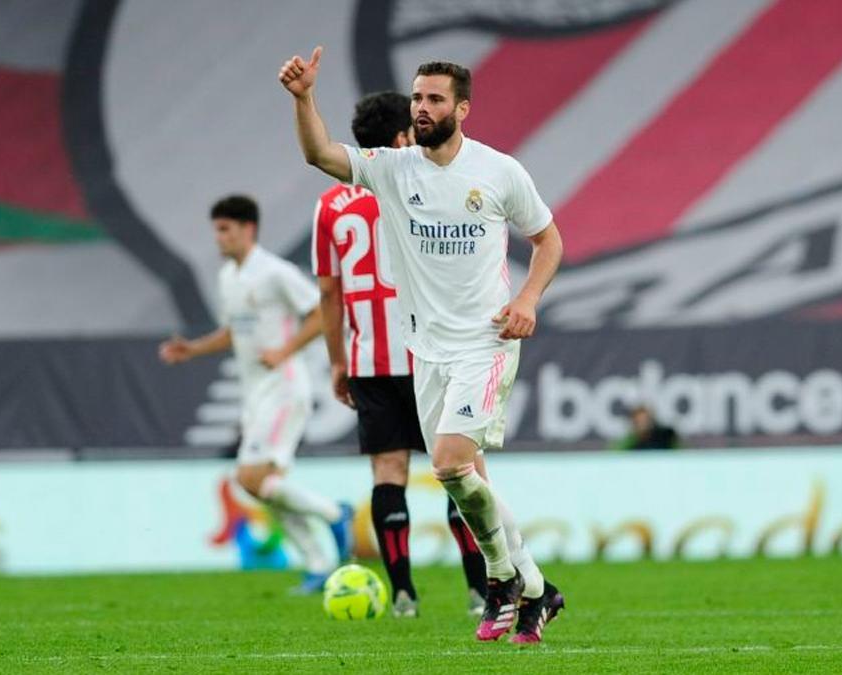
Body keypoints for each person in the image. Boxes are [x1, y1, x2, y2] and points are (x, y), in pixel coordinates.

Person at [279, 48, 565, 643]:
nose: (424, 107)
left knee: (449, 464)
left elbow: (548, 240)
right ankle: (539, 590)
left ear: (462, 108)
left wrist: (528, 300)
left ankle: (501, 582)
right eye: (417, 98)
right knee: (468, 476)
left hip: (486, 343)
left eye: (435, 99)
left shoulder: (498, 171)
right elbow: (318, 153)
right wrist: (305, 99)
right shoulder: (393, 168)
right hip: (425, 351)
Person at [311, 91, 487, 618]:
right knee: (462, 471)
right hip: (430, 353)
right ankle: (483, 591)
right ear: (399, 139)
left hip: (369, 358)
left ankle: (404, 595)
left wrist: (337, 360)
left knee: (388, 474)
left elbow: (328, 292)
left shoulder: (329, 207)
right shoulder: (417, 186)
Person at [159, 195, 353, 594]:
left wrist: (285, 350)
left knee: (249, 477)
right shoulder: (229, 277)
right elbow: (235, 331)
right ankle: (318, 565)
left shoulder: (275, 273)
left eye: (225, 229)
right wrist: (193, 349)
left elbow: (321, 311)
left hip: (284, 388)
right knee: (267, 489)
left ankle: (336, 514)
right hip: (255, 395)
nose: (219, 238)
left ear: (249, 229)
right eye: (216, 230)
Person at [613, 405, 679, 451]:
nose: (643, 425)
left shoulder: (665, 437)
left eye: (646, 420)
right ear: (634, 424)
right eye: (639, 421)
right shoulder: (629, 443)